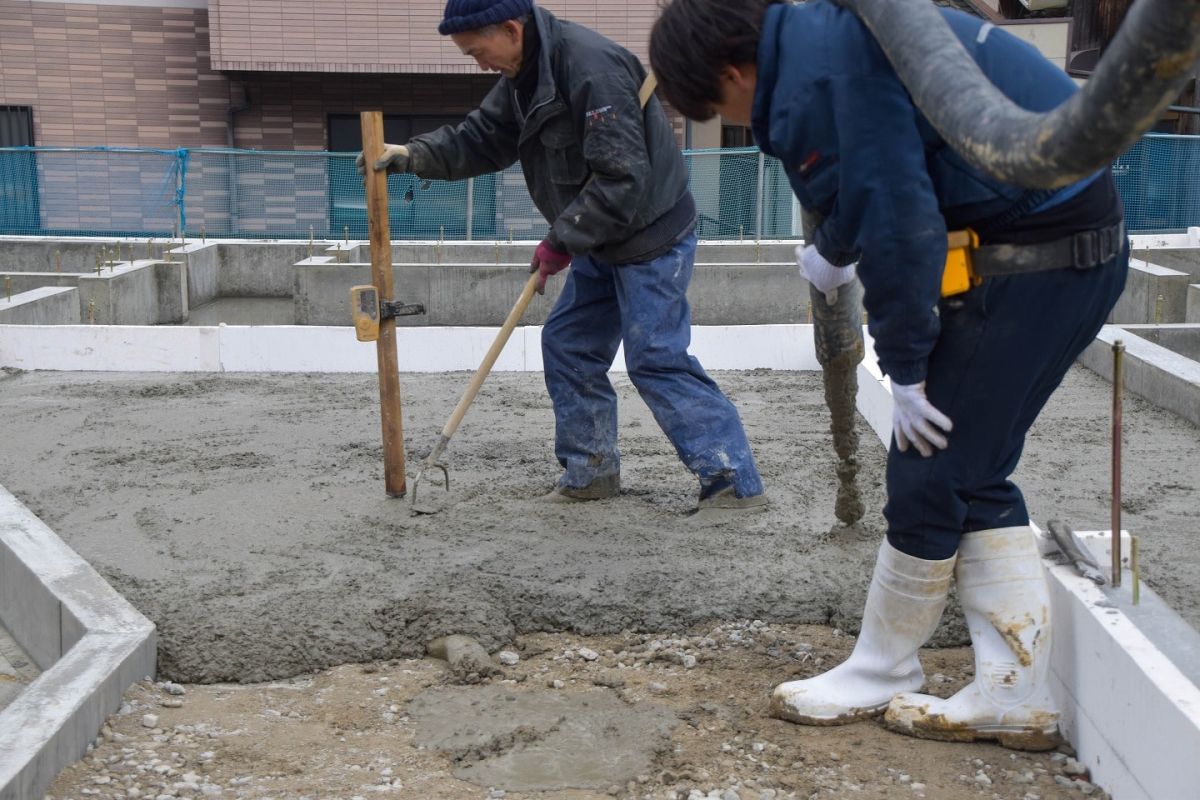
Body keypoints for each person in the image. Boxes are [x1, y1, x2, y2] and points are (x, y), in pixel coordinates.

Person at [650, 0, 1127, 749]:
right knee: (972, 465)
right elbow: (888, 162)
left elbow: (902, 218)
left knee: (928, 465)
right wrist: (834, 243)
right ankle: (1014, 685)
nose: (733, 117)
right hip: (1059, 239)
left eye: (717, 106)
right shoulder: (830, 42)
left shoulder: (822, 75)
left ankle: (885, 665)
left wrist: (903, 370)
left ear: (733, 69)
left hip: (1040, 253)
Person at [359, 0, 767, 514]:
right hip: (597, 235)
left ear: (511, 29)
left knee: (655, 357)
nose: (478, 63)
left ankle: (730, 478)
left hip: (650, 234)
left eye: (477, 51)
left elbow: (622, 178)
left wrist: (561, 239)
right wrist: (416, 155)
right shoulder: (525, 76)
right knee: (570, 344)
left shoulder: (591, 69)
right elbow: (483, 137)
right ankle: (591, 471)